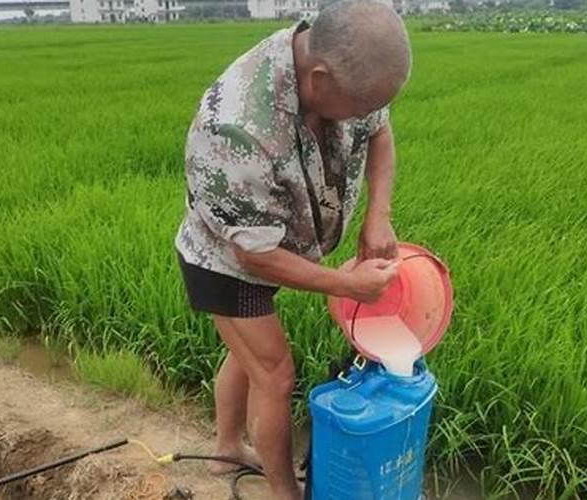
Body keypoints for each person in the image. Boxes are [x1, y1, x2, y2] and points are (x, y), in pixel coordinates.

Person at [174, 1, 411, 498]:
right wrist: (348, 285)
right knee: (275, 372)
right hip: (227, 262)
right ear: (319, 79)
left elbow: (380, 130)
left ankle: (225, 449)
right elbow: (253, 257)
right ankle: (284, 491)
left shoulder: (344, 67)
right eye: (359, 105)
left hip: (275, 243)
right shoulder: (235, 125)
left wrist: (378, 214)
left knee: (245, 356)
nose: (366, 114)